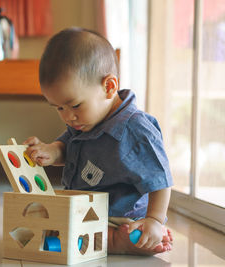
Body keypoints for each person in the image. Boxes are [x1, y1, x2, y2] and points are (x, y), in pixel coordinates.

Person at [24, 27, 173, 255]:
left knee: (129, 235)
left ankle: (122, 241)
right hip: (87, 211)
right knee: (49, 220)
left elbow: (159, 179)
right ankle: (109, 239)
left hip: (123, 215)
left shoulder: (134, 130)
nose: (67, 116)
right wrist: (53, 151)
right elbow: (69, 146)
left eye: (74, 105)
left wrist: (154, 219)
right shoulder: (85, 122)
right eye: (59, 108)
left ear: (109, 87)